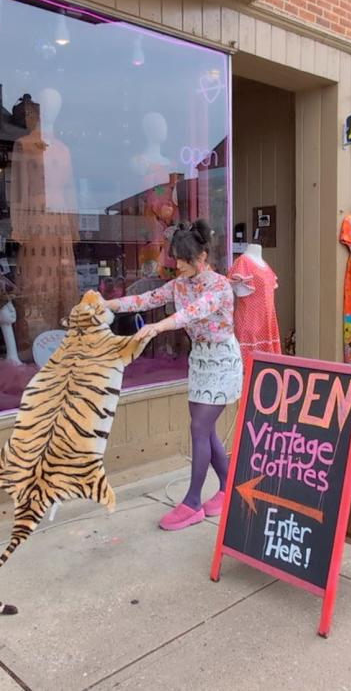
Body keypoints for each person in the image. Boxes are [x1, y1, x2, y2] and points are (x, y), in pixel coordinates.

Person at [106, 220, 246, 531]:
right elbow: (145, 299)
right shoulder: (179, 284)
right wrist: (107, 304)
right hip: (199, 361)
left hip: (223, 361)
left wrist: (158, 326)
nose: (178, 265)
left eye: (184, 260)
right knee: (205, 430)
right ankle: (228, 488)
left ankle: (193, 501)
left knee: (199, 427)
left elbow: (193, 312)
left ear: (202, 257)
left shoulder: (220, 286)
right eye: (176, 259)